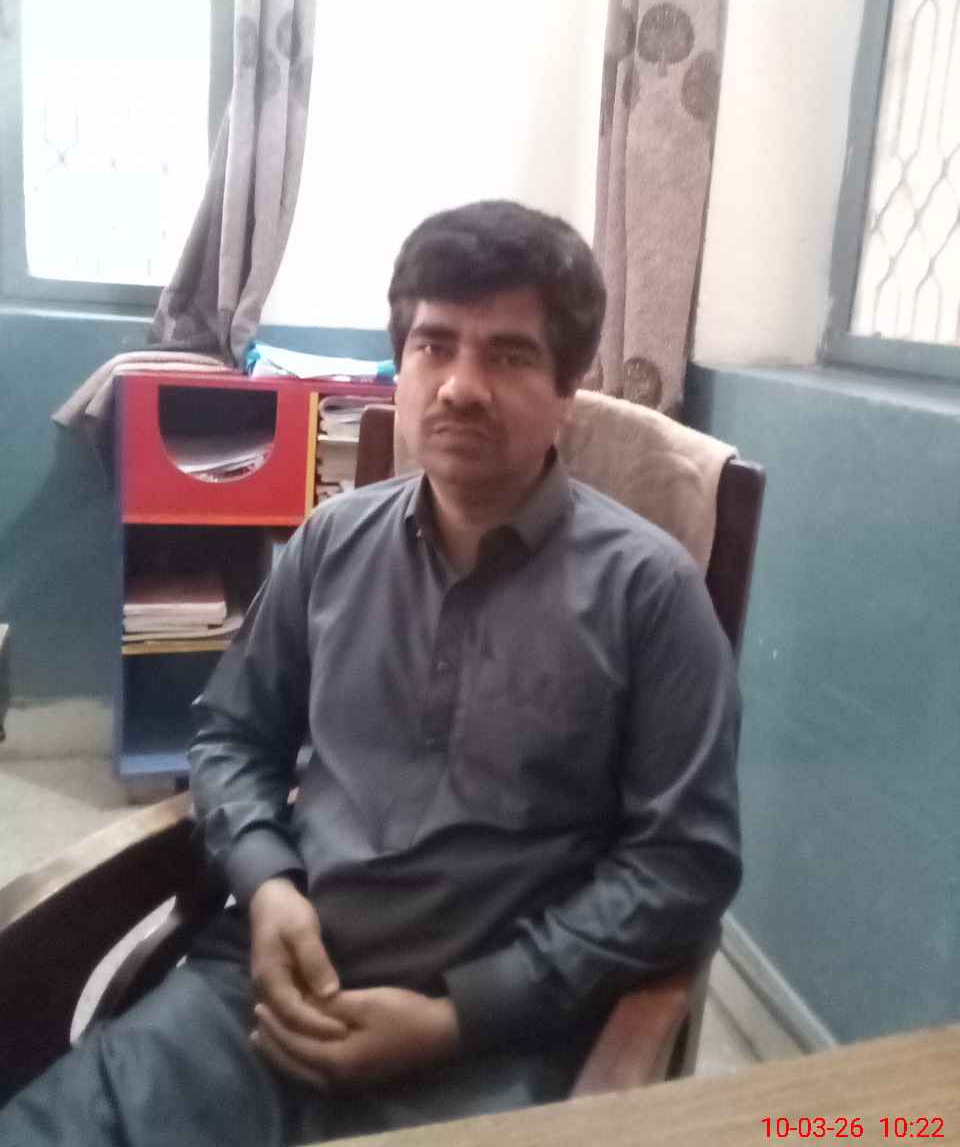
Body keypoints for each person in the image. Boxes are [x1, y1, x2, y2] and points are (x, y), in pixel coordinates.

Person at [0, 200, 741, 1146]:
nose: (461, 387)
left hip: (496, 1038)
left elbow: (681, 865)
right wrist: (268, 886)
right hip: (265, 988)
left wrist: (458, 1016)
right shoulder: (328, 545)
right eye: (434, 345)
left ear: (567, 389)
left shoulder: (651, 595)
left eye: (509, 356)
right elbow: (233, 736)